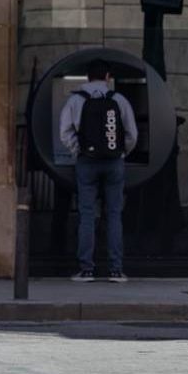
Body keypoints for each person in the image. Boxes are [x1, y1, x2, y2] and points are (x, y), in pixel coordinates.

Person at [59, 59, 138, 283]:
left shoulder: (75, 100)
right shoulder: (119, 100)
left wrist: (79, 150)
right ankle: (115, 270)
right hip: (114, 163)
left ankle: (87, 270)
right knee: (114, 215)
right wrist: (121, 152)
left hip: (87, 162)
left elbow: (65, 133)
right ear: (108, 78)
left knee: (87, 216)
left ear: (87, 77)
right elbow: (132, 133)